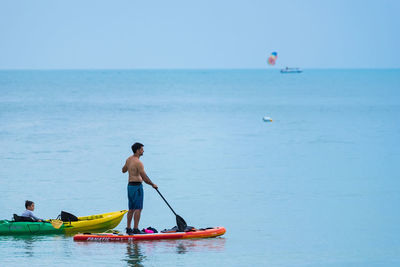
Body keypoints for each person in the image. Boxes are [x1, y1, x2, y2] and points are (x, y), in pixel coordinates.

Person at [122, 142, 158, 234]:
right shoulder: (139, 163)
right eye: (142, 149)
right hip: (137, 187)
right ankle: (136, 229)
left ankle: (128, 228)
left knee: (131, 208)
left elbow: (123, 170)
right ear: (137, 151)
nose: (143, 151)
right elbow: (145, 178)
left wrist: (130, 168)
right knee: (138, 208)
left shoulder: (129, 159)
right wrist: (153, 184)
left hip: (129, 186)